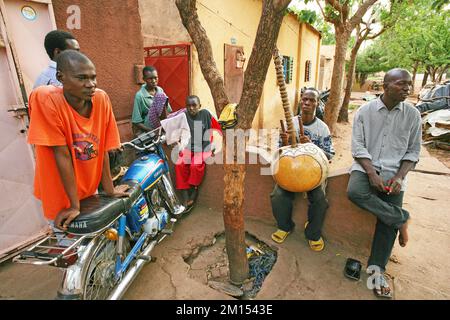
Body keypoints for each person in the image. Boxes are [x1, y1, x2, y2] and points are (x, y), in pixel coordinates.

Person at [27, 50, 128, 231]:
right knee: (69, 249)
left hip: (88, 192)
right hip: (60, 195)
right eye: (82, 78)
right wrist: (74, 205)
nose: (90, 85)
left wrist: (110, 190)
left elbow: (101, 148)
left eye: (93, 78)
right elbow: (62, 154)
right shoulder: (46, 99)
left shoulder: (101, 99)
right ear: (61, 77)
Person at [347, 68, 421, 299]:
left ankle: (377, 270)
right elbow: (358, 147)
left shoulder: (413, 115)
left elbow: (413, 152)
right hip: (366, 166)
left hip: (395, 172)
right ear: (385, 86)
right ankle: (401, 217)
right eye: (401, 84)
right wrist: (371, 173)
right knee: (355, 191)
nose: (407, 88)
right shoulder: (364, 111)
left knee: (385, 222)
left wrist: (399, 177)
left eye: (409, 84)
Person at [271, 88, 335, 252]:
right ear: (301, 101)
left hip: (313, 174)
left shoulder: (322, 128)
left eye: (311, 100)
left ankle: (313, 233)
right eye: (305, 99)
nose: (307, 103)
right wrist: (285, 143)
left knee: (320, 200)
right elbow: (279, 153)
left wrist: (311, 146)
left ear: (317, 103)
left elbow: (329, 155)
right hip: (291, 171)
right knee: (278, 195)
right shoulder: (288, 123)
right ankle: (285, 226)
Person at [175, 95, 221, 211]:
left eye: (194, 105)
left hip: (204, 147)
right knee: (179, 164)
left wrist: (217, 145)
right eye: (188, 106)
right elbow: (173, 127)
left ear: (200, 106)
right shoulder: (184, 116)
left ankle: (194, 189)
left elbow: (220, 127)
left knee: (195, 166)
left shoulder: (206, 114)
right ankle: (185, 193)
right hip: (188, 147)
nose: (191, 108)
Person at [131, 66, 172, 136]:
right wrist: (151, 131)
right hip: (148, 126)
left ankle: (165, 129)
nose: (153, 81)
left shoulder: (160, 90)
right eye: (150, 79)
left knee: (183, 113)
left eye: (155, 78)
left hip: (161, 124)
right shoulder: (140, 95)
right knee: (160, 96)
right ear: (144, 79)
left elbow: (168, 110)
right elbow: (136, 121)